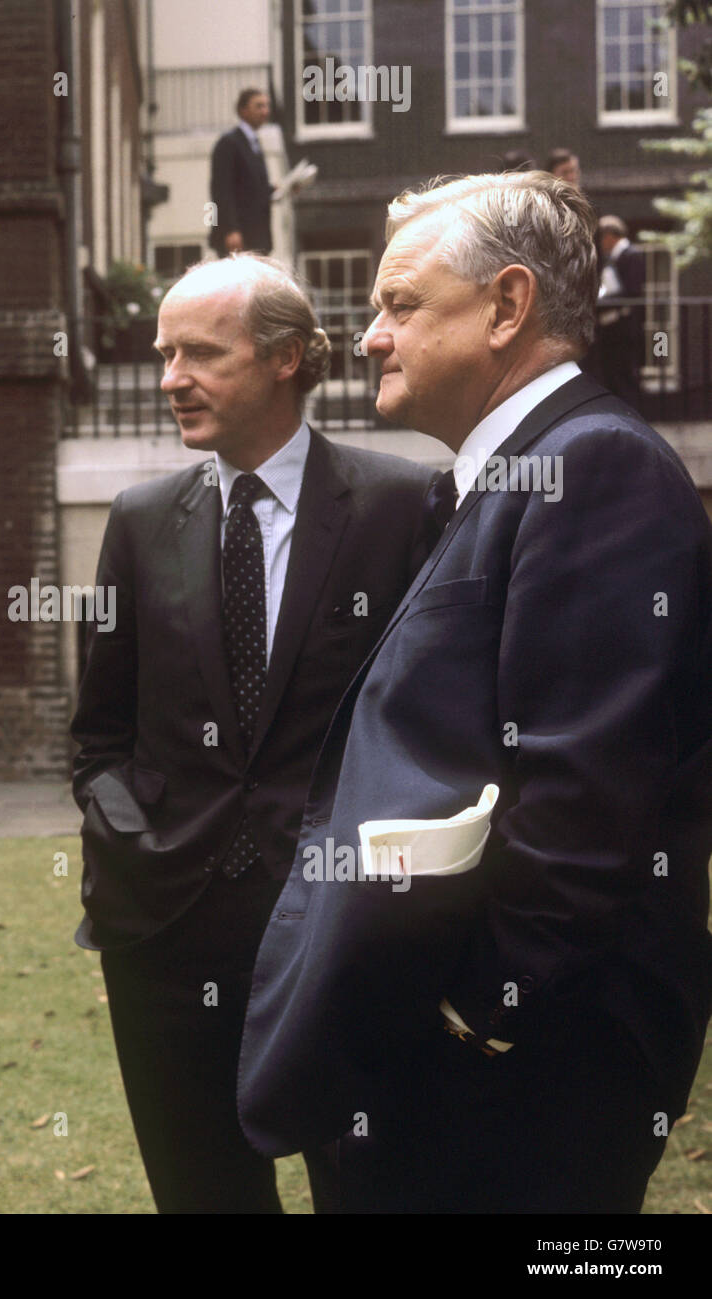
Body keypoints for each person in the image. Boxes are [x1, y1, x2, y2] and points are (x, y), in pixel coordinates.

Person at [239, 172, 712, 1213]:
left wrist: (472, 1017)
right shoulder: (503, 475)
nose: (366, 336)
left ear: (506, 306)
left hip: (520, 1083)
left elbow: (584, 800)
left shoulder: (593, 470)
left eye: (399, 304)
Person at [71, 253, 436, 1213]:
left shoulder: (402, 507)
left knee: (363, 1187)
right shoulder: (141, 519)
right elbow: (98, 735)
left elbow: (428, 722)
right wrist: (130, 839)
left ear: (285, 359)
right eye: (164, 353)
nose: (169, 377)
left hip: (335, 932)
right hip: (163, 932)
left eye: (199, 352)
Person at [209, 89, 278, 256]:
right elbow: (221, 190)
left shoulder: (254, 143)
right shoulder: (229, 143)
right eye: (259, 106)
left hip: (257, 236)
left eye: (267, 106)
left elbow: (249, 189)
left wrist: (277, 190)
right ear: (243, 110)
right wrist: (231, 229)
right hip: (238, 238)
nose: (265, 111)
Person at [595, 215, 647, 409]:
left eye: (601, 238)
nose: (600, 243)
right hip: (614, 327)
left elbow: (632, 292)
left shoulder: (631, 254)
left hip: (626, 328)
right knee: (613, 374)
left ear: (610, 236)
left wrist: (602, 302)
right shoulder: (615, 258)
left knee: (625, 375)